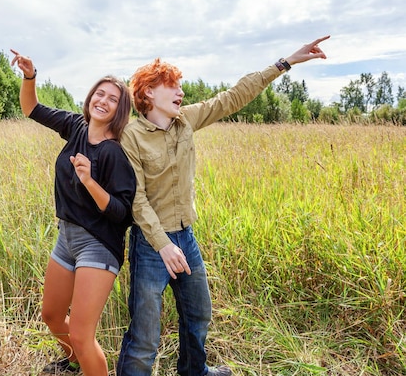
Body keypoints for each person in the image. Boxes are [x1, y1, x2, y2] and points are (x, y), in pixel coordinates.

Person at [116, 36, 331, 376]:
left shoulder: (186, 120)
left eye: (180, 86)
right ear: (147, 94)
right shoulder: (131, 137)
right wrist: (162, 245)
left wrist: (285, 62)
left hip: (185, 237)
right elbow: (136, 199)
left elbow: (234, 97)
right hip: (150, 245)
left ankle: (194, 372)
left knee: (198, 315)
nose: (180, 92)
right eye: (172, 85)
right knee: (145, 337)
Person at [10, 49, 137, 376]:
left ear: (120, 110)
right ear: (90, 97)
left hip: (99, 244)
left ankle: (84, 358)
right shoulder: (76, 126)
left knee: (82, 334)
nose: (103, 101)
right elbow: (31, 109)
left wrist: (90, 181)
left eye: (113, 99)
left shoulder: (114, 152)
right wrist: (29, 75)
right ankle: (75, 363)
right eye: (100, 93)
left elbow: (124, 214)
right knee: (51, 315)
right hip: (66, 236)